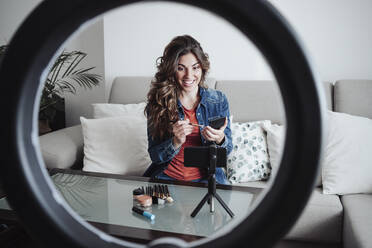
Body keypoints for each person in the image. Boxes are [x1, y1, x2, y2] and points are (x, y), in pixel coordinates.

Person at [143, 35, 232, 184]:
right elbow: (155, 156)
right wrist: (175, 141)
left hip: (207, 181)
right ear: (171, 70)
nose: (189, 76)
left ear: (202, 68)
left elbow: (228, 150)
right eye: (180, 68)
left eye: (195, 67)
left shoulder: (218, 100)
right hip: (166, 179)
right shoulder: (158, 102)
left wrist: (220, 139)